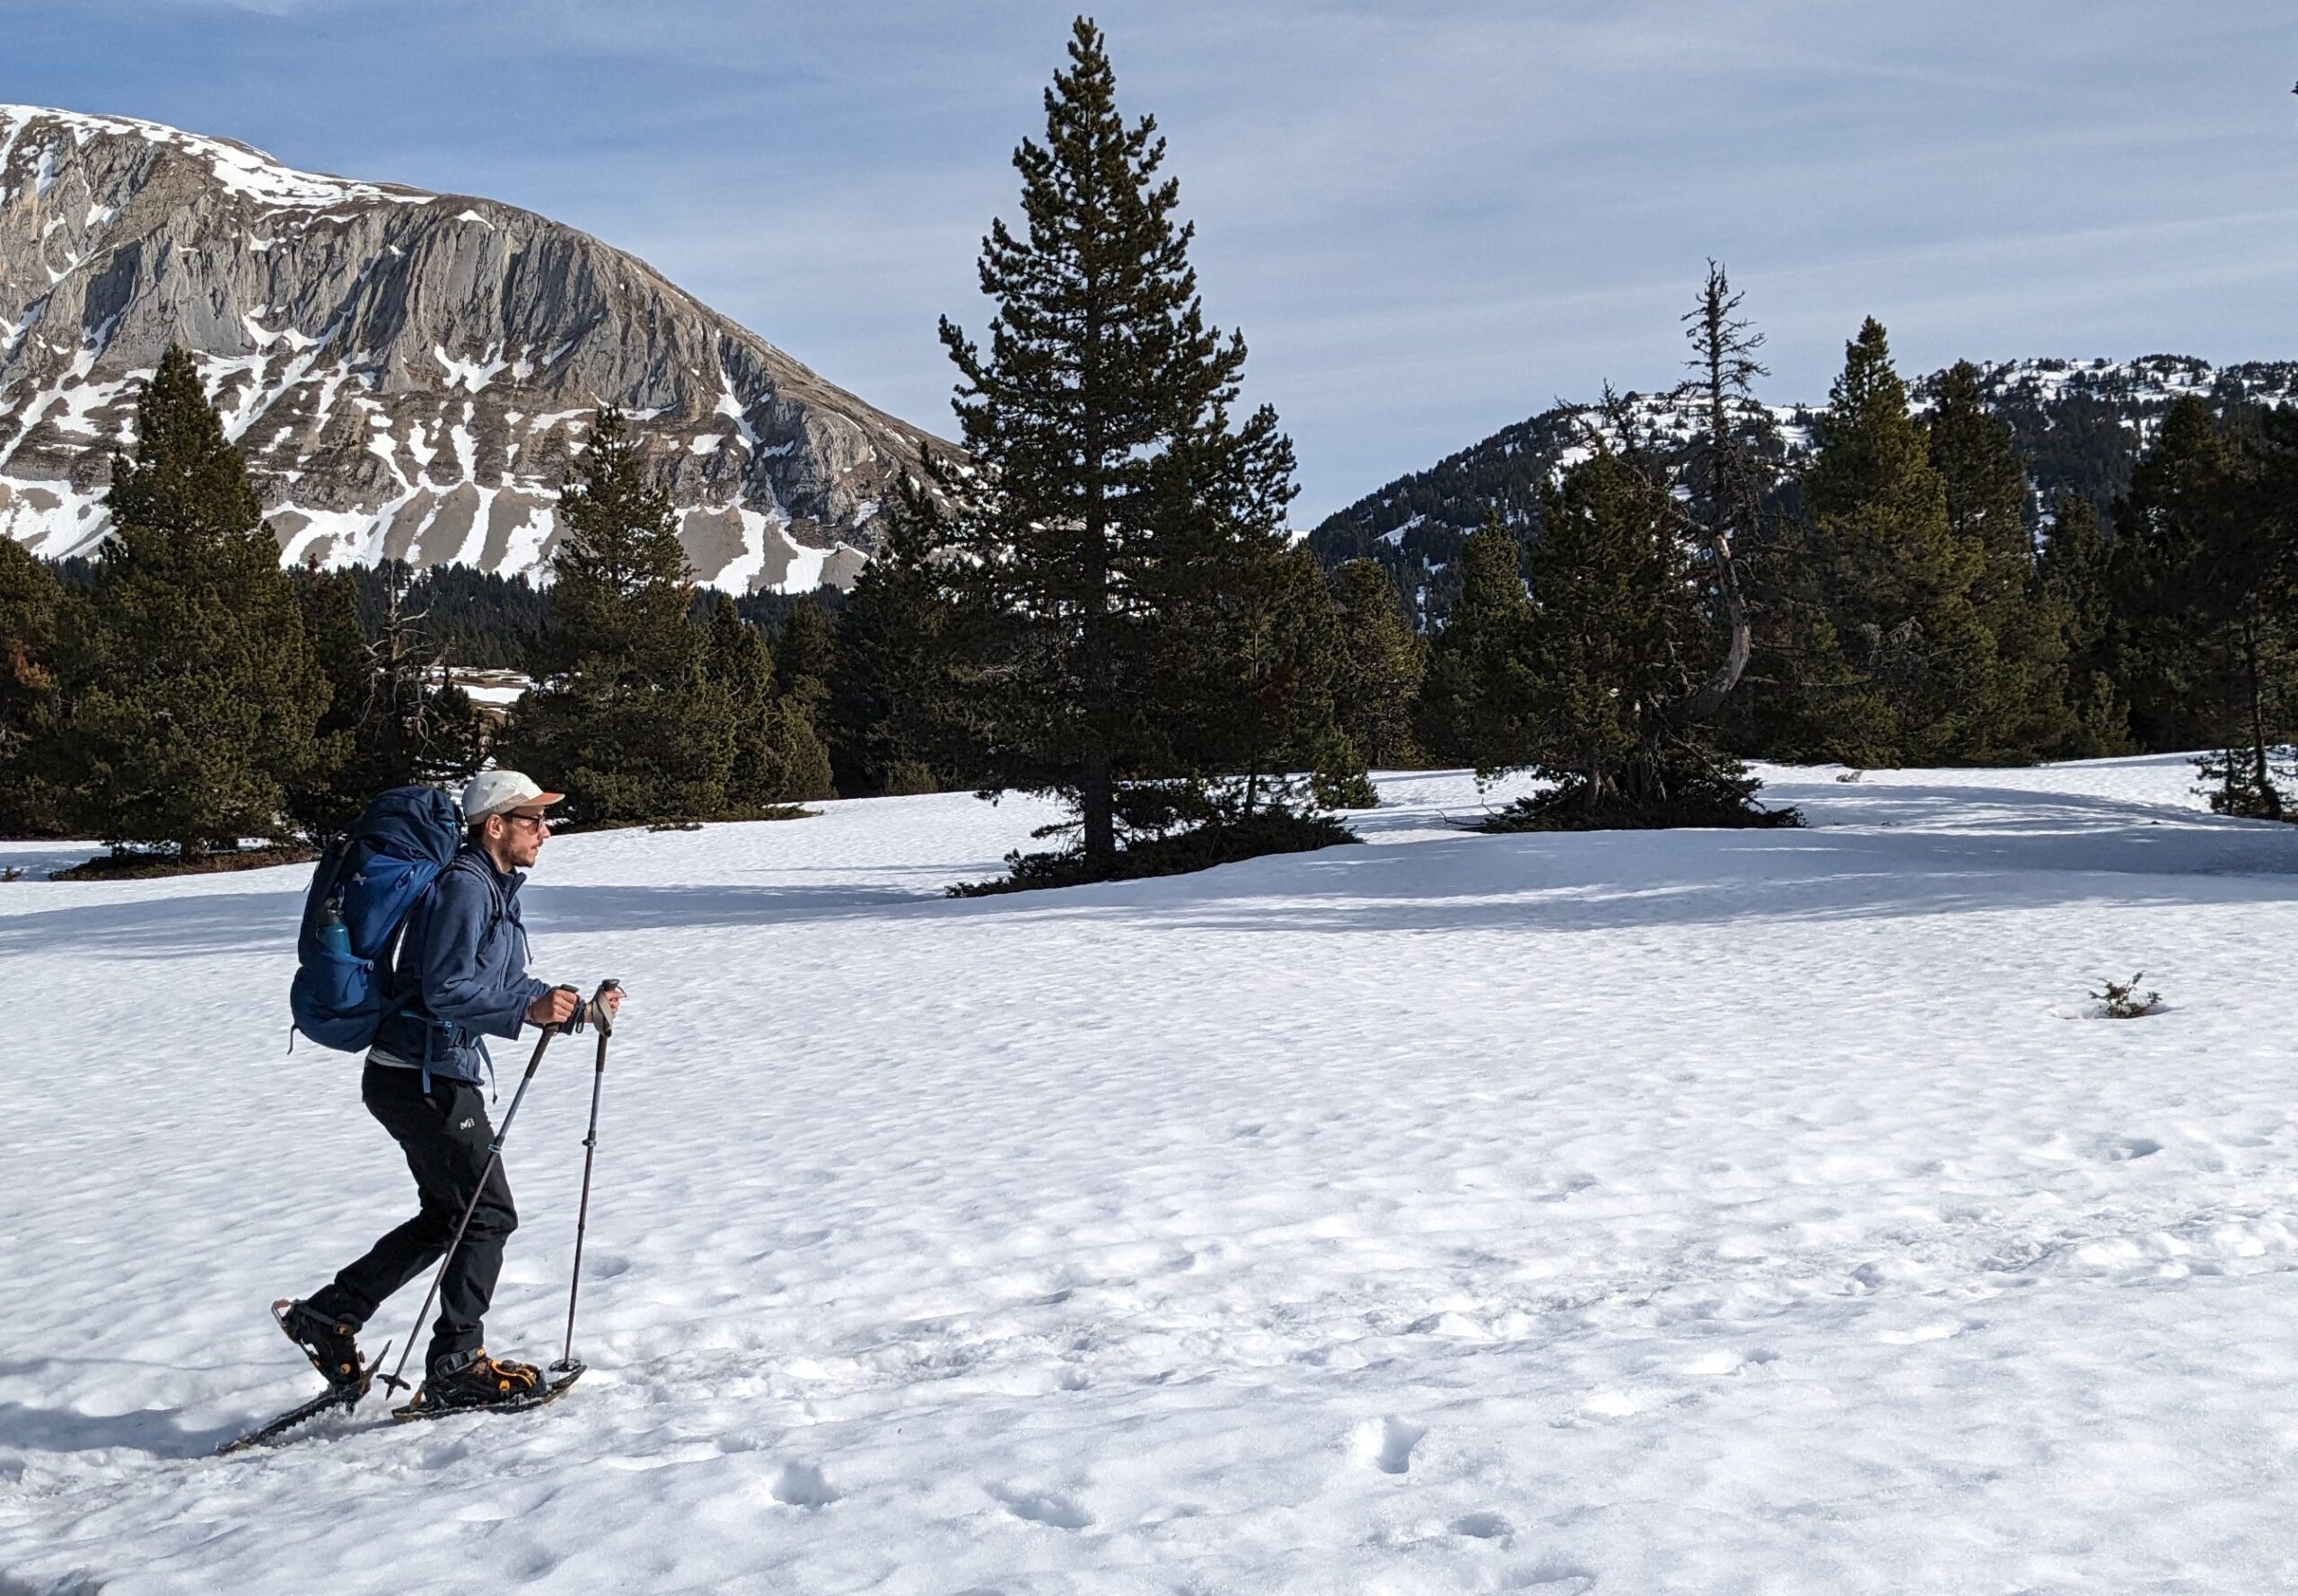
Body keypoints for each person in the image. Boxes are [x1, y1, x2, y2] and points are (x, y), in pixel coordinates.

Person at [276, 770, 621, 1411]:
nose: (545, 832)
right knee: (487, 1214)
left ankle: (330, 1317)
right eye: (533, 820)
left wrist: (570, 1008)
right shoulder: (466, 887)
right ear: (496, 825)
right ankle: (458, 1361)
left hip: (419, 1073)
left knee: (451, 1216)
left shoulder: (487, 887)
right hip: (424, 1078)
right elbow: (446, 991)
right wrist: (529, 1010)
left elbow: (486, 981)